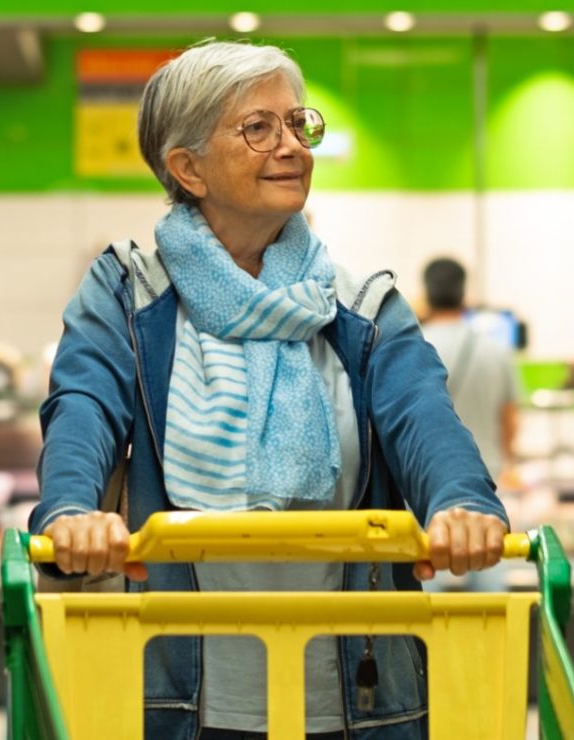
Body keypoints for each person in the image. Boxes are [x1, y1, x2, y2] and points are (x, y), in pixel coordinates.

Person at [30, 40, 508, 740]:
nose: (291, 146)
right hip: (178, 697)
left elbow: (423, 416)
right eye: (259, 128)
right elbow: (83, 407)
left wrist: (463, 502)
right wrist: (72, 509)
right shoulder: (130, 296)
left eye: (298, 125)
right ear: (187, 168)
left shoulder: (360, 307)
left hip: (358, 697)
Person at [420, 258, 519, 480]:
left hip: (428, 477)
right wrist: (510, 462)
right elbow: (509, 417)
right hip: (486, 477)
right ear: (463, 292)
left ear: (426, 293)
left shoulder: (412, 346)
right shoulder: (496, 350)